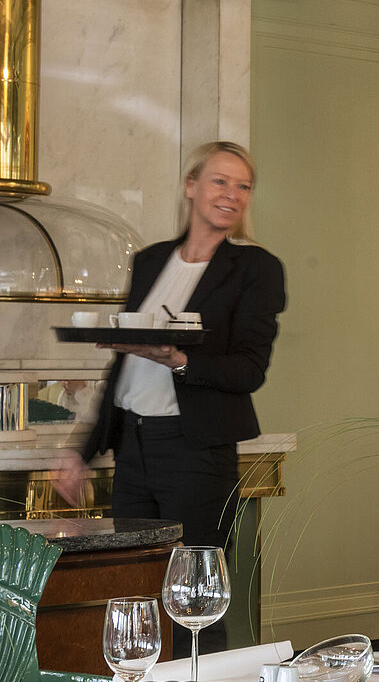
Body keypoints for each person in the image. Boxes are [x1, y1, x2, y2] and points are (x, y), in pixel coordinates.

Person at [54, 141, 286, 651]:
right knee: (134, 588)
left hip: (197, 450)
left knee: (194, 594)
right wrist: (82, 450)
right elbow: (124, 366)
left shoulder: (255, 269)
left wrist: (178, 360)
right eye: (220, 181)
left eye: (243, 186)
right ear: (191, 186)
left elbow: (249, 369)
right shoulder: (152, 260)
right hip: (133, 448)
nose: (232, 194)